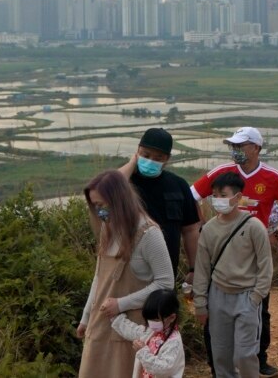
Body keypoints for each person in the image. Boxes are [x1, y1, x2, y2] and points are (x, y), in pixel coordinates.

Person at [191, 127, 278, 377]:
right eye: (233, 146)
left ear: (256, 148)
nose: (236, 151)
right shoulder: (222, 173)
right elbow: (192, 196)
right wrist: (203, 227)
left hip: (256, 246)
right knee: (219, 318)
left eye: (240, 146)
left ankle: (258, 359)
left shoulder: (272, 177)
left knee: (259, 307)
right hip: (225, 248)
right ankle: (219, 366)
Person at [78, 170, 175, 378]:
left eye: (102, 205)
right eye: (95, 206)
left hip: (131, 331)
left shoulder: (149, 234)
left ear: (119, 200)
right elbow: (99, 278)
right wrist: (86, 317)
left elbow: (166, 284)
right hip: (99, 326)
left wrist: (121, 304)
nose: (99, 212)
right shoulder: (108, 229)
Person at [193, 171, 273, 378]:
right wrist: (201, 302)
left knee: (246, 354)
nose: (218, 200)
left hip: (246, 296)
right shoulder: (209, 230)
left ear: (237, 197)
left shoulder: (254, 226)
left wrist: (256, 297)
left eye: (223, 194)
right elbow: (202, 268)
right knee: (221, 354)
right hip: (218, 297)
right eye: (215, 195)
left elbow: (265, 265)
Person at [118, 127, 202, 277]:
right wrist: (132, 163)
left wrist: (193, 268)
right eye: (146, 155)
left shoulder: (179, 185)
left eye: (158, 158)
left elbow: (190, 230)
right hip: (128, 272)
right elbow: (110, 187)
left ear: (167, 159)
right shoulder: (126, 182)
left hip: (165, 273)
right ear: (138, 151)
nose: (150, 161)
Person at [110, 288, 186, 378]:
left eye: (156, 319)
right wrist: (115, 318)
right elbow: (133, 331)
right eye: (149, 319)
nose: (151, 323)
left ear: (172, 317)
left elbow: (163, 369)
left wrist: (143, 352)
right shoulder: (152, 331)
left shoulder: (174, 342)